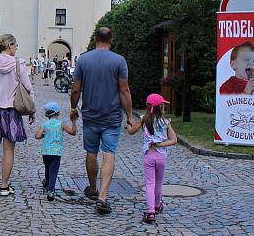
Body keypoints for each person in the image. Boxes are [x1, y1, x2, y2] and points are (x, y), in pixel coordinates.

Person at [70, 27, 134, 214]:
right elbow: (124, 90)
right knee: (109, 153)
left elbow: (75, 89)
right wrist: (129, 115)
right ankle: (103, 196)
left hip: (90, 115)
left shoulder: (83, 60)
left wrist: (73, 108)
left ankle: (92, 188)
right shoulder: (119, 61)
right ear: (111, 39)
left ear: (95, 39)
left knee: (91, 152)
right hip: (112, 116)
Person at [0, 33, 35, 196]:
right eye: (15, 45)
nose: (16, 48)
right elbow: (28, 88)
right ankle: (4, 186)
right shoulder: (19, 63)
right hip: (12, 110)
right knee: (9, 149)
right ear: (10, 45)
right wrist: (32, 109)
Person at [127, 93, 178, 223]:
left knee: (150, 184)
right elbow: (174, 140)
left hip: (148, 155)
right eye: (163, 105)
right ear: (160, 107)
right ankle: (157, 205)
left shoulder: (144, 119)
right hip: (161, 156)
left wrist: (128, 125)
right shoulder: (165, 122)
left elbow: (131, 131)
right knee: (159, 183)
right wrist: (160, 144)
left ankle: (150, 212)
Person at [35, 101, 76, 201]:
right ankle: (51, 190)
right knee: (53, 171)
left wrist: (45, 135)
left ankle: (47, 183)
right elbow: (72, 132)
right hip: (56, 153)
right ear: (58, 113)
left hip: (46, 152)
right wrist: (74, 122)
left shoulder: (45, 124)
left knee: (47, 168)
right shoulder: (61, 124)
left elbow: (37, 136)